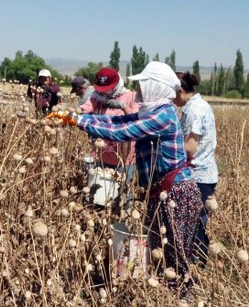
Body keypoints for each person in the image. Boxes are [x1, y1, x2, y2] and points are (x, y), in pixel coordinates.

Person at [74, 61, 201, 297]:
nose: (139, 91)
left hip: (175, 194)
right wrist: (78, 117)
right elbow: (118, 121)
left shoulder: (163, 115)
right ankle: (168, 297)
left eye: (143, 86)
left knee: (174, 256)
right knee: (161, 251)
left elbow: (122, 133)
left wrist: (81, 123)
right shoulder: (151, 112)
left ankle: (182, 299)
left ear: (155, 87)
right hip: (161, 192)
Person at [174, 71, 218, 266]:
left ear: (182, 91)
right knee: (197, 222)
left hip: (198, 174)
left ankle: (198, 264)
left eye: (173, 93)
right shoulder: (202, 104)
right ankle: (197, 264)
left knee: (194, 225)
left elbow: (190, 147)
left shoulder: (192, 110)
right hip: (206, 172)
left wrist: (167, 145)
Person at [80, 67, 139, 171]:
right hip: (101, 153)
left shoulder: (132, 96)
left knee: (122, 186)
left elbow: (136, 120)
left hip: (123, 157)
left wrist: (123, 106)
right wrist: (74, 113)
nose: (105, 92)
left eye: (108, 88)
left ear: (116, 84)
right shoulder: (98, 96)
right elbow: (86, 108)